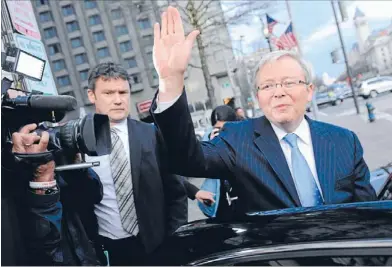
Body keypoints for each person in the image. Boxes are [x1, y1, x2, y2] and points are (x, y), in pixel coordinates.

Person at [150, 7, 376, 213]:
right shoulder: (237, 139)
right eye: (268, 86)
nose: (278, 92)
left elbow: (370, 217)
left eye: (288, 82)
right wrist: (171, 81)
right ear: (258, 97)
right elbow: (186, 160)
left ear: (309, 90)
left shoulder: (344, 141)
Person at [85, 62, 187, 265]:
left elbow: (176, 192)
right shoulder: (81, 141)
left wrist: (175, 239)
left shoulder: (151, 134)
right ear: (92, 96)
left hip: (157, 246)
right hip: (109, 249)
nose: (118, 100)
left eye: (123, 92)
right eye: (108, 93)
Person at [9, 123, 103, 265]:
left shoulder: (51, 150)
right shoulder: (9, 169)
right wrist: (42, 179)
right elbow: (43, 248)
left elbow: (94, 196)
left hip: (85, 254)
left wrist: (74, 164)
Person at [183, 105, 240, 220]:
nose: (222, 133)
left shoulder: (245, 140)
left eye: (225, 128)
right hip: (222, 207)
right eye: (218, 129)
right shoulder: (210, 142)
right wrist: (212, 144)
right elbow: (198, 165)